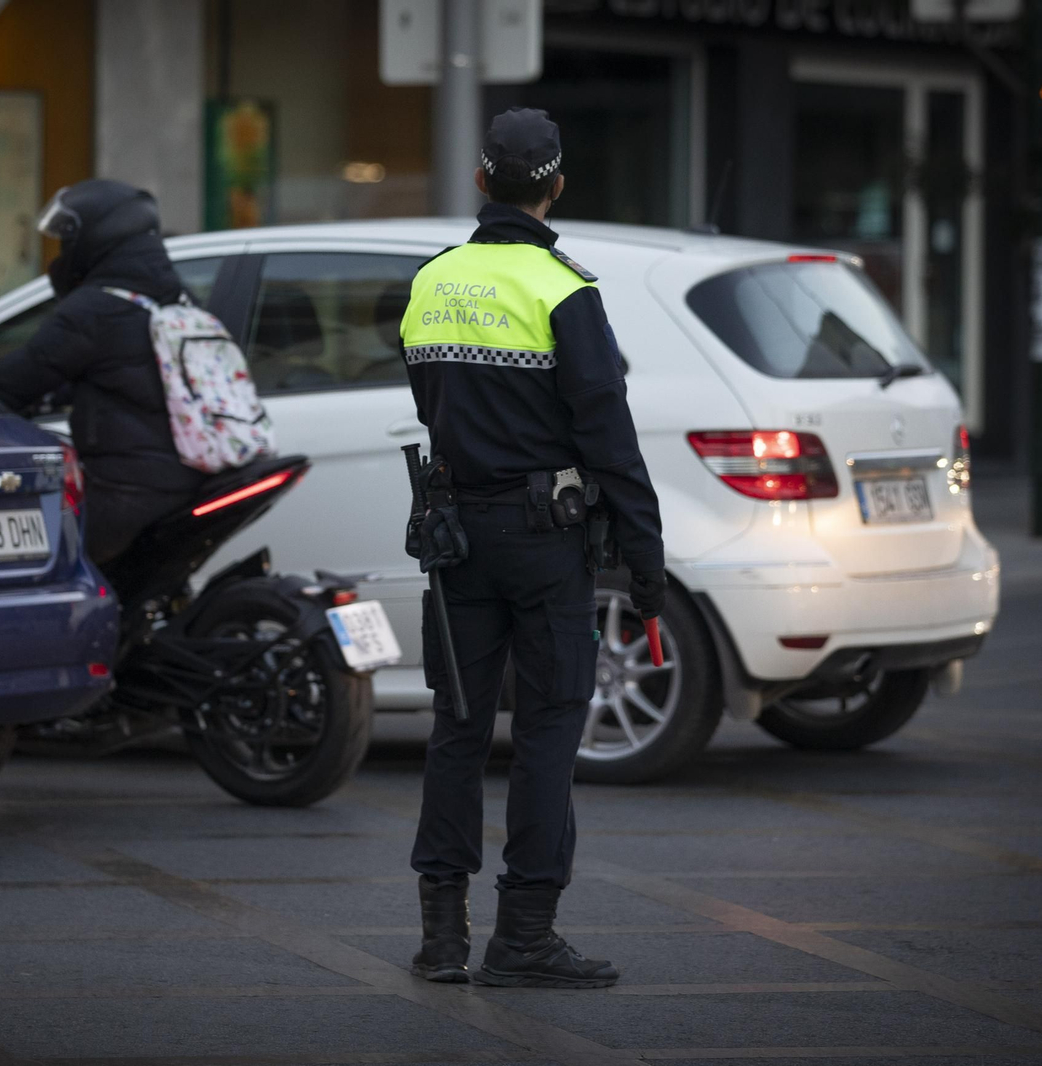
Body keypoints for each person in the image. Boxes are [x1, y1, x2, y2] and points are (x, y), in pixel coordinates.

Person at [400, 108, 667, 988]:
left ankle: (441, 941)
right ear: (557, 185)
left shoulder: (433, 281)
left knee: (458, 729)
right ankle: (523, 936)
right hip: (544, 542)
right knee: (549, 730)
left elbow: (429, 396)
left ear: (482, 183)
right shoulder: (566, 290)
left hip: (452, 539)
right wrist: (646, 556)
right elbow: (608, 433)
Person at [0, 180, 208, 565]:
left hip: (126, 488)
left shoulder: (92, 311)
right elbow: (126, 376)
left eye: (67, 238)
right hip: (191, 476)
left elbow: (14, 381)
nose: (62, 251)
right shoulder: (175, 299)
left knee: (31, 564)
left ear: (97, 237)